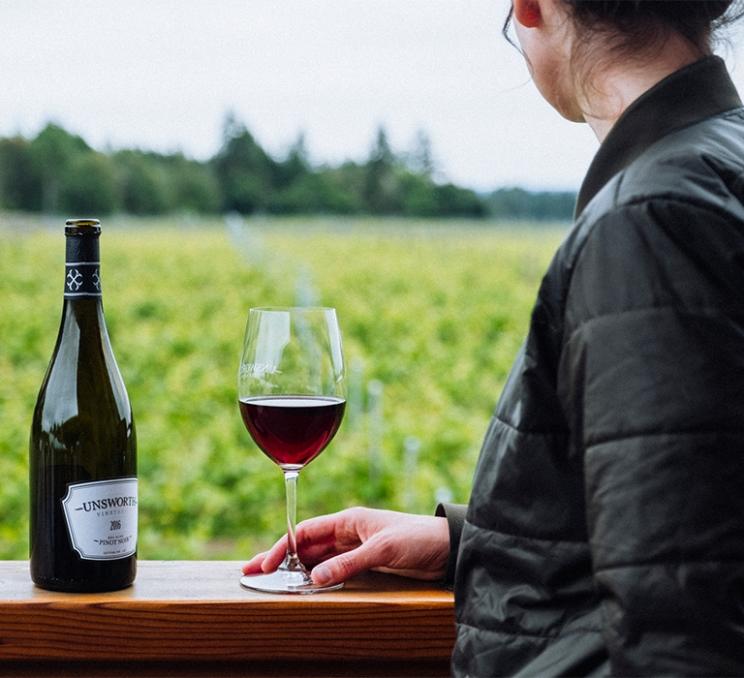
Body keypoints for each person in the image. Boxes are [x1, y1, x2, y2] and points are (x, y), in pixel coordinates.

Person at [245, 0, 744, 674]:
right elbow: (705, 514)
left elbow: (683, 640)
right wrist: (468, 542)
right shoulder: (719, 160)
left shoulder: (651, 218)